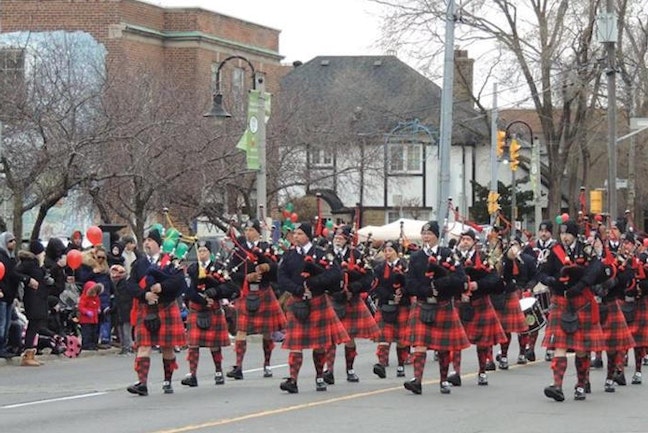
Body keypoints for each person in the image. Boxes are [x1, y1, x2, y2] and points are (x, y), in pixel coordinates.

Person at [277, 222, 349, 393]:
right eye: (294, 233)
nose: (295, 236)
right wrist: (297, 289)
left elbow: (334, 274)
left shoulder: (321, 253)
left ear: (308, 236)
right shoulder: (289, 256)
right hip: (297, 301)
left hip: (317, 300)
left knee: (319, 345)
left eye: (300, 233)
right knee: (295, 344)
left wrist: (314, 282)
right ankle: (293, 380)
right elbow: (281, 277)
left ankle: (319, 377)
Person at [541, 218, 605, 402]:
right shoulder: (554, 251)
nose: (564, 237)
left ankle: (580, 385)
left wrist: (582, 283)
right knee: (559, 346)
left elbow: (596, 269)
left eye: (567, 233)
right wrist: (551, 281)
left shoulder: (585, 249)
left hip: (581, 301)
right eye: (561, 233)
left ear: (574, 235)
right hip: (561, 300)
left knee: (581, 349)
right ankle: (557, 386)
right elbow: (542, 271)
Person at [403, 221, 471, 395]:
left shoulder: (448, 254)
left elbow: (461, 279)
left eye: (429, 234)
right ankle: (417, 380)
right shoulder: (416, 257)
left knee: (443, 347)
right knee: (420, 345)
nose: (426, 237)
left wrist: (442, 283)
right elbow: (409, 282)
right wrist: (425, 290)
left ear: (437, 236)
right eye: (424, 234)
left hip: (442, 304)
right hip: (423, 302)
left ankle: (443, 381)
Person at [126, 229, 187, 396]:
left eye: (150, 240)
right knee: (143, 347)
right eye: (145, 240)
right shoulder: (139, 264)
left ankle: (167, 381)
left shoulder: (170, 261)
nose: (146, 243)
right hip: (146, 309)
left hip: (165, 307)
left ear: (158, 244)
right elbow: (130, 285)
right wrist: (144, 294)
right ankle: (142, 383)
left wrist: (162, 287)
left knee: (167, 348)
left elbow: (179, 282)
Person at [226, 219, 286, 380]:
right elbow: (231, 272)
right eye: (246, 230)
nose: (248, 233)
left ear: (258, 232)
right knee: (241, 330)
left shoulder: (266, 248)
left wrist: (268, 267)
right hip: (246, 293)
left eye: (251, 230)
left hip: (264, 291)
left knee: (267, 331)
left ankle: (267, 365)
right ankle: (238, 366)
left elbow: (277, 269)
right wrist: (247, 277)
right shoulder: (239, 250)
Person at [448, 229, 506, 387]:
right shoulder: (454, 257)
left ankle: (482, 372)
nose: (465, 242)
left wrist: (477, 284)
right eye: (463, 239)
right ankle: (456, 372)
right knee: (455, 341)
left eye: (468, 239)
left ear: (474, 242)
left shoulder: (483, 258)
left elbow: (495, 279)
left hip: (480, 302)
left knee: (482, 343)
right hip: (460, 303)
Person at [323, 225, 379, 384]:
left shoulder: (357, 254)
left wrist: (354, 288)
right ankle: (329, 370)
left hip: (351, 300)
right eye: (336, 236)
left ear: (348, 239)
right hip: (332, 298)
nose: (338, 239)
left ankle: (350, 369)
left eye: (341, 237)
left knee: (349, 337)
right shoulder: (326, 254)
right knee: (330, 337)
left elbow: (368, 278)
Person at [181, 240, 239, 387]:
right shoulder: (193, 268)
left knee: (214, 345)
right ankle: (192, 374)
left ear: (210, 253)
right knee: (193, 345)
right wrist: (199, 299)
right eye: (199, 251)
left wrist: (215, 292)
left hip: (213, 308)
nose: (201, 254)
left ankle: (219, 372)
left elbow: (230, 287)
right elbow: (189, 289)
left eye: (204, 251)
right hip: (197, 308)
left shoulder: (219, 268)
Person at [371, 240, 411, 379]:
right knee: (384, 336)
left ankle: (401, 365)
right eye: (385, 251)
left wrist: (402, 293)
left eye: (390, 250)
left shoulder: (405, 266)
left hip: (402, 305)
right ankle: (381, 364)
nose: (387, 254)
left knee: (401, 337)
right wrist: (390, 296)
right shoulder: (379, 268)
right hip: (385, 304)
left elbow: (411, 282)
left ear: (396, 252)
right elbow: (376, 286)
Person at [496, 237, 538, 367]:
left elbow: (535, 276)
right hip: (508, 294)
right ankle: (503, 356)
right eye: (510, 245)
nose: (513, 247)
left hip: (523, 292)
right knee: (506, 328)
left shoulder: (528, 260)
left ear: (521, 246)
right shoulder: (503, 260)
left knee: (524, 328)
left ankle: (522, 353)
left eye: (515, 245)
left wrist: (529, 288)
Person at [16, 240, 50, 367]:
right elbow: (16, 273)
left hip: (40, 297)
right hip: (32, 297)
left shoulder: (38, 264)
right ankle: (27, 354)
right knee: (33, 323)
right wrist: (28, 280)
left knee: (36, 324)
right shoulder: (28, 263)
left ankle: (31, 353)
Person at [0, 232, 21, 358]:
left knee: (7, 324)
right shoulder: (1, 257)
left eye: (14, 240)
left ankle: (5, 345)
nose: (13, 243)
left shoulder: (12, 258)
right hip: (2, 294)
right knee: (1, 323)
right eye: (10, 241)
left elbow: (14, 276)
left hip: (10, 296)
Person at [111, 264, 134, 355]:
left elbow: (124, 300)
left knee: (126, 331)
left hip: (126, 311)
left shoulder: (125, 285)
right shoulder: (117, 286)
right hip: (120, 311)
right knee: (121, 331)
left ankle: (127, 347)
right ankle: (125, 347)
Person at [78, 281, 102, 350]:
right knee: (87, 332)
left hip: (94, 318)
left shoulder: (96, 298)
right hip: (86, 319)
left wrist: (98, 309)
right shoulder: (84, 298)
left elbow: (98, 305)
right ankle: (86, 345)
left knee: (94, 332)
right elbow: (81, 307)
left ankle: (93, 344)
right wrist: (86, 312)